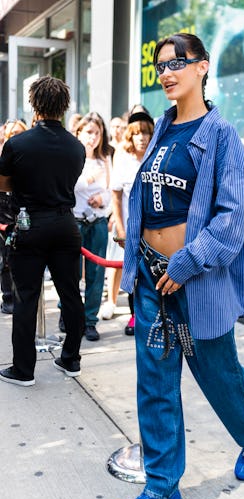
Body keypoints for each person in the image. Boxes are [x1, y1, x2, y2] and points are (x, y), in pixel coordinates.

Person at [112, 33, 244, 499]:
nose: (167, 71)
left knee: (218, 375)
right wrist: (139, 257)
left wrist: (187, 262)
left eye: (178, 62)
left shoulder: (221, 134)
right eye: (160, 65)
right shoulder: (160, 132)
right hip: (152, 282)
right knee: (155, 384)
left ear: (203, 67)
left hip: (197, 281)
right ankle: (161, 488)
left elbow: (234, 213)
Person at [0, 75, 86, 386]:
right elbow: (69, 181)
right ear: (64, 106)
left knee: (26, 297)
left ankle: (24, 370)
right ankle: (71, 358)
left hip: (30, 224)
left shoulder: (18, 143)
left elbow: (3, 184)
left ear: (34, 104)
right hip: (65, 224)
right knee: (71, 294)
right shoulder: (76, 147)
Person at [101, 110, 154, 336]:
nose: (142, 137)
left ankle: (153, 316)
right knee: (132, 275)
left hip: (155, 229)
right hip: (130, 229)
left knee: (152, 274)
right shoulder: (123, 159)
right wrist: (121, 228)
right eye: (137, 133)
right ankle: (134, 316)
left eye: (146, 133)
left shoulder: (156, 157)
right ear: (130, 136)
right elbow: (115, 196)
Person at [72, 112, 112, 341]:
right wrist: (86, 181)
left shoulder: (104, 158)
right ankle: (68, 313)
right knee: (71, 272)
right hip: (74, 221)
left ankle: (90, 321)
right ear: (79, 132)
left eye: (97, 133)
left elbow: (111, 190)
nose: (93, 137)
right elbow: (66, 187)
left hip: (97, 221)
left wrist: (102, 199)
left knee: (96, 274)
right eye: (89, 132)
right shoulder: (71, 156)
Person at [0, 119, 29, 315]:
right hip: (2, 217)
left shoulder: (30, 159)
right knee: (5, 261)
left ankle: (20, 297)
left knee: (21, 261)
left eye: (20, 132)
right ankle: (8, 297)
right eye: (12, 133)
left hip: (23, 218)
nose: (16, 136)